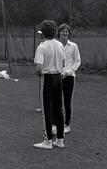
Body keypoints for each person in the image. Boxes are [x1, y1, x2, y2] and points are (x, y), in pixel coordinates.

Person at [33, 20, 65, 149]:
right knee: (58, 108)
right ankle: (60, 139)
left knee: (46, 109)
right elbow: (63, 64)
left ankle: (48, 141)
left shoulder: (42, 46)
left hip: (47, 78)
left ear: (43, 33)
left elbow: (39, 68)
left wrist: (39, 74)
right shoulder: (59, 45)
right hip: (58, 77)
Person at [57, 23, 81, 134]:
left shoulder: (74, 46)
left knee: (67, 101)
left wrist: (68, 72)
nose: (64, 33)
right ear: (59, 33)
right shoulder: (56, 45)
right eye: (62, 31)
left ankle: (67, 124)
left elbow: (77, 61)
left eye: (66, 31)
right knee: (56, 101)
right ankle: (56, 123)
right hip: (56, 76)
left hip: (69, 77)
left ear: (69, 33)